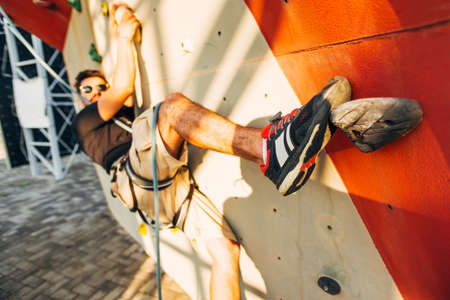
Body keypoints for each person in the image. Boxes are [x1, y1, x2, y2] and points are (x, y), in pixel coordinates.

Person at [73, 4, 422, 300]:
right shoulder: (87, 120)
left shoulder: (125, 122)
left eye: (97, 85)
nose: (94, 92)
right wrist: (120, 31)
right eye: (88, 88)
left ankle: (293, 144)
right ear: (81, 96)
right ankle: (269, 151)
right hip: (138, 180)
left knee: (225, 251)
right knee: (173, 111)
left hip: (165, 193)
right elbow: (121, 85)